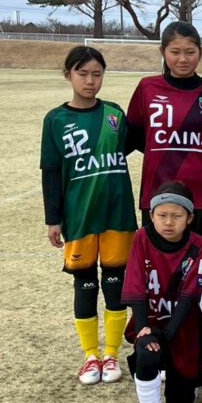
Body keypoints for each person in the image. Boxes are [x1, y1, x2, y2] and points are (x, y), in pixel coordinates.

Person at [126, 21, 202, 378]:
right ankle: (158, 345)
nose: (183, 59)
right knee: (160, 276)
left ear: (201, 52)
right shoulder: (147, 88)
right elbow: (135, 136)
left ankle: (200, 349)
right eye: (175, 52)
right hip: (158, 200)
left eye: (190, 52)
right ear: (162, 52)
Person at [41, 46, 137, 385]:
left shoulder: (114, 114)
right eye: (82, 74)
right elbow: (51, 171)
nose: (90, 80)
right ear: (68, 75)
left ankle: (111, 354)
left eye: (97, 74)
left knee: (115, 282)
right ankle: (90, 356)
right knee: (84, 284)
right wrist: (53, 218)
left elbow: (125, 147)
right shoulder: (56, 120)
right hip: (79, 216)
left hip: (117, 215)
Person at [122, 182, 202, 403]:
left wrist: (167, 334)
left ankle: (188, 379)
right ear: (151, 215)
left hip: (182, 325)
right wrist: (144, 330)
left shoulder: (199, 245)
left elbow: (190, 295)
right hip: (149, 320)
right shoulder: (141, 238)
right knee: (147, 351)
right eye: (162, 215)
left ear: (190, 218)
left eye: (177, 216)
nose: (169, 222)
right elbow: (136, 286)